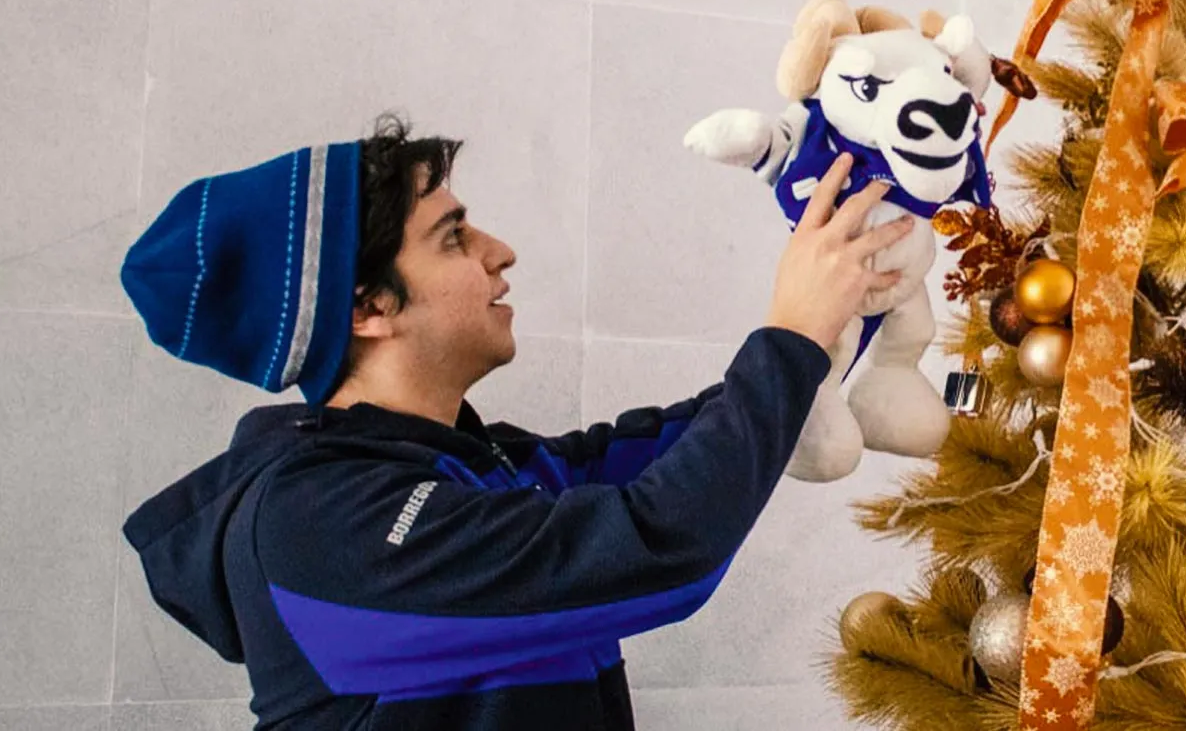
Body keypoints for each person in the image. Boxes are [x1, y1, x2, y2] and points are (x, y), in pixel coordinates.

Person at [119, 113, 913, 729]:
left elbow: (681, 450)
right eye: (453, 235)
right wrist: (791, 337)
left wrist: (835, 320)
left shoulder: (474, 465)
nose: (501, 252)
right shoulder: (315, 525)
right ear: (366, 307)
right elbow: (665, 545)